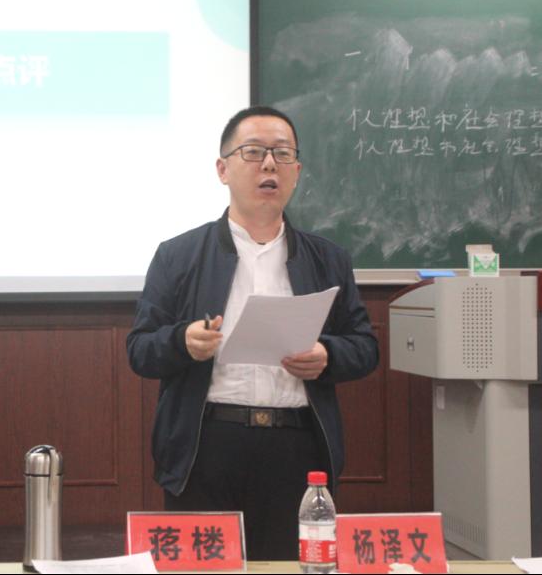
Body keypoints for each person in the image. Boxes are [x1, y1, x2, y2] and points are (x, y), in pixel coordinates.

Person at [126, 106, 379, 560]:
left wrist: (328, 355)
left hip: (296, 449)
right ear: (222, 169)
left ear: (297, 172)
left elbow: (365, 347)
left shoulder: (327, 259)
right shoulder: (178, 256)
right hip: (206, 446)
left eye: (282, 154)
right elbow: (140, 349)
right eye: (253, 152)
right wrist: (183, 342)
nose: (269, 165)